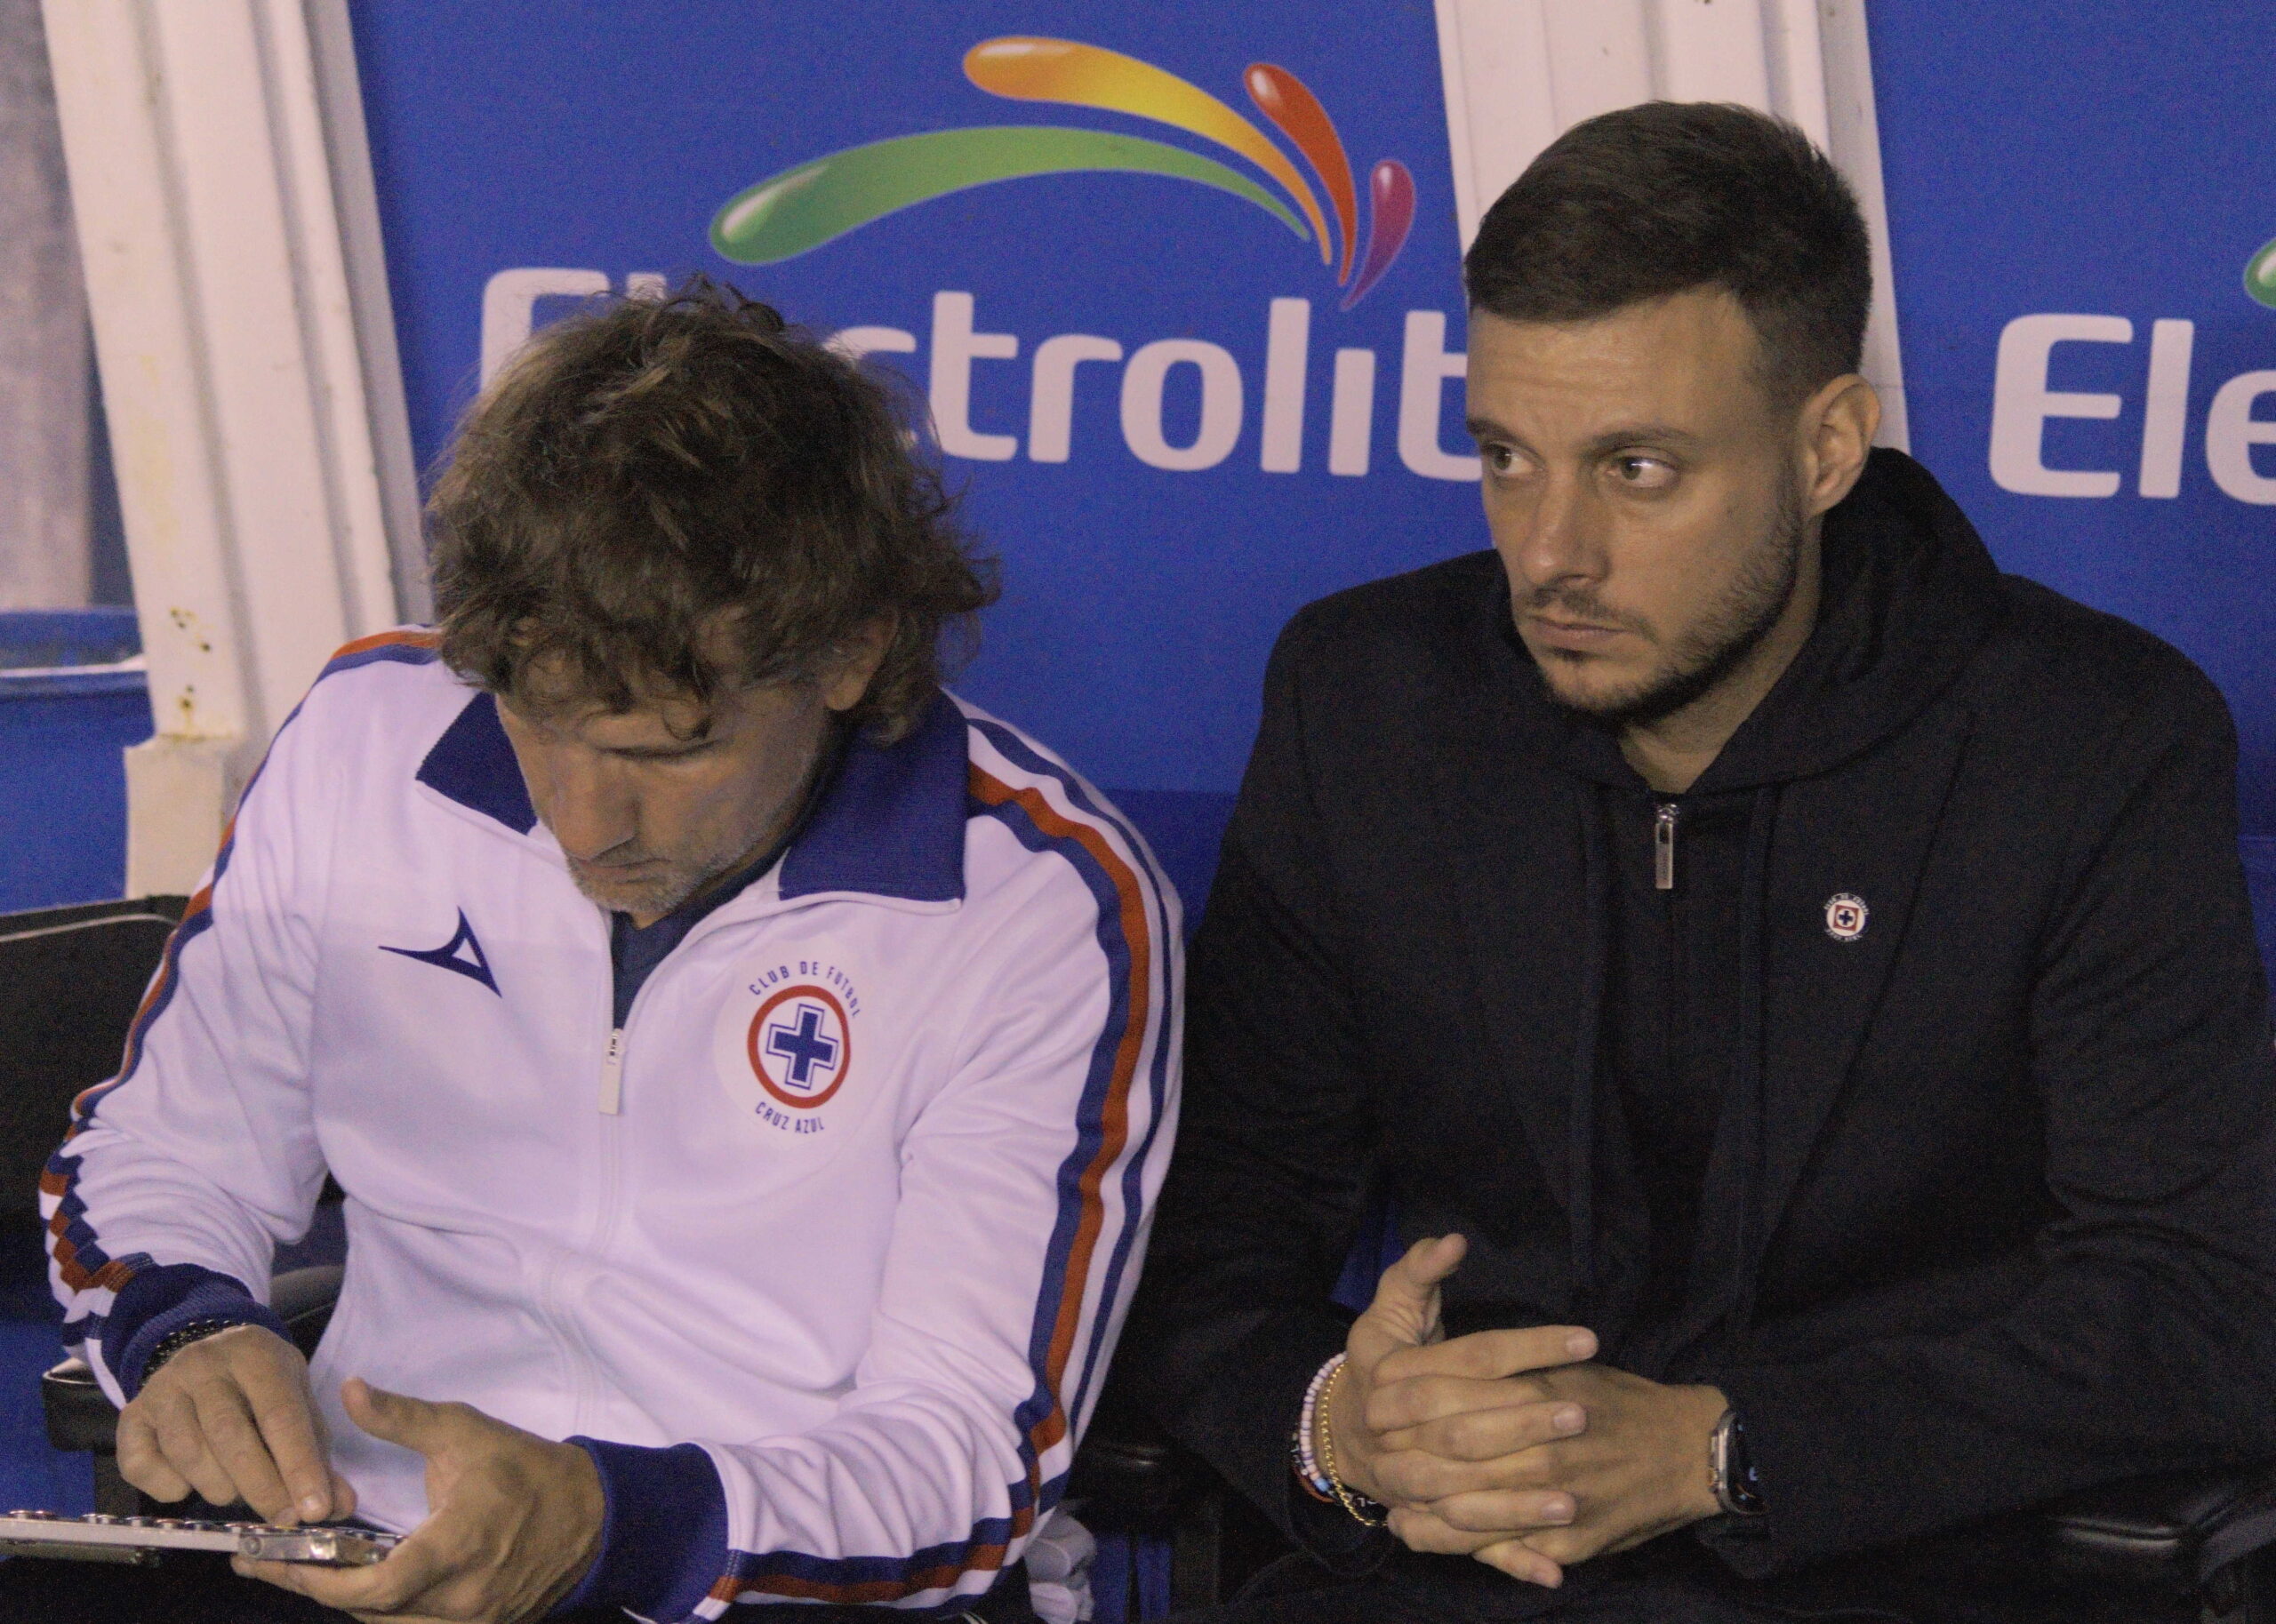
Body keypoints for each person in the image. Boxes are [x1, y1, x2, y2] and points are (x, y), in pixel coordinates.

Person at [1118, 100, 2276, 1623]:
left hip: (1897, 1566)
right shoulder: (1368, 701)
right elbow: (1191, 1243)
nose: (1552, 553)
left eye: (1639, 469)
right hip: (1457, 1568)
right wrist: (1343, 1428)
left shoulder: (2088, 740)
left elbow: (2204, 1300)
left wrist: (1724, 1453)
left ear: (1827, 446)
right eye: (1505, 457)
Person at [26, 280, 1180, 1624]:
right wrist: (189, 1327)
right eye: (537, 721)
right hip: (357, 1551)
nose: (583, 824)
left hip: (761, 1588)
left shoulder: (1042, 906)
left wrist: (611, 1523)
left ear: (850, 653)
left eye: (668, 752)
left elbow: (965, 1459)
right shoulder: (361, 740)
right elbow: (167, 1156)